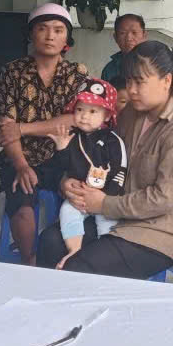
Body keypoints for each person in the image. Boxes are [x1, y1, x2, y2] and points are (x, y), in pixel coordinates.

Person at [35, 41, 173, 278]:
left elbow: (164, 199)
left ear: (167, 81)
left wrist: (104, 204)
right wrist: (68, 182)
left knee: (80, 267)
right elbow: (99, 157)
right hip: (118, 215)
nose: (131, 90)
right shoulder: (131, 113)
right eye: (129, 81)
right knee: (49, 242)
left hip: (164, 229)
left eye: (140, 82)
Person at [0, 3, 90, 265]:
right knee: (22, 204)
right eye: (42, 29)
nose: (50, 36)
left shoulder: (76, 73)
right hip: (21, 156)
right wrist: (21, 165)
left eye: (58, 30)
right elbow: (6, 128)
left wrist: (23, 128)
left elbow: (75, 119)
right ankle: (30, 261)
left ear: (67, 38)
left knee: (75, 204)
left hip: (65, 156)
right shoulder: (12, 72)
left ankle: (66, 257)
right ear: (31, 34)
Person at [51, 79, 127, 264]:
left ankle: (107, 259)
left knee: (107, 223)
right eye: (79, 109)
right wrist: (61, 149)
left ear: (107, 116)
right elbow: (63, 168)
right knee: (67, 211)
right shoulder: (72, 137)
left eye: (93, 111)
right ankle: (74, 250)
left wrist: (105, 198)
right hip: (79, 197)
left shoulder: (113, 141)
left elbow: (120, 172)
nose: (84, 116)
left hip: (104, 198)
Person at [102, 13, 147, 82]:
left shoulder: (156, 64)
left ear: (144, 36)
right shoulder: (109, 70)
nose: (129, 38)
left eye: (134, 32)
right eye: (122, 33)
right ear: (115, 37)